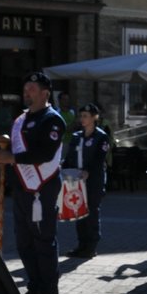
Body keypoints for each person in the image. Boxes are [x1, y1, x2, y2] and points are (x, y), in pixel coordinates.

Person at [0, 72, 66, 294]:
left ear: (45, 93)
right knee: (25, 242)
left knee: (43, 241)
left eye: (32, 88)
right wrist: (3, 157)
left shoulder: (52, 120)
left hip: (41, 189)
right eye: (26, 88)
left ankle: (48, 293)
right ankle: (34, 288)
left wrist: (12, 157)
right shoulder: (21, 120)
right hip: (23, 189)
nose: (27, 92)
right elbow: (15, 151)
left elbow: (44, 153)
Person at [62, 102, 111, 259]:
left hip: (93, 181)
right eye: (81, 116)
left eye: (85, 116)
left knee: (91, 213)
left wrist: (88, 171)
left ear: (94, 118)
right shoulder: (77, 137)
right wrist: (63, 168)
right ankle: (81, 245)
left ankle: (91, 246)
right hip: (77, 180)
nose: (82, 119)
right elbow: (70, 157)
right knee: (79, 212)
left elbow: (99, 158)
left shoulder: (101, 136)